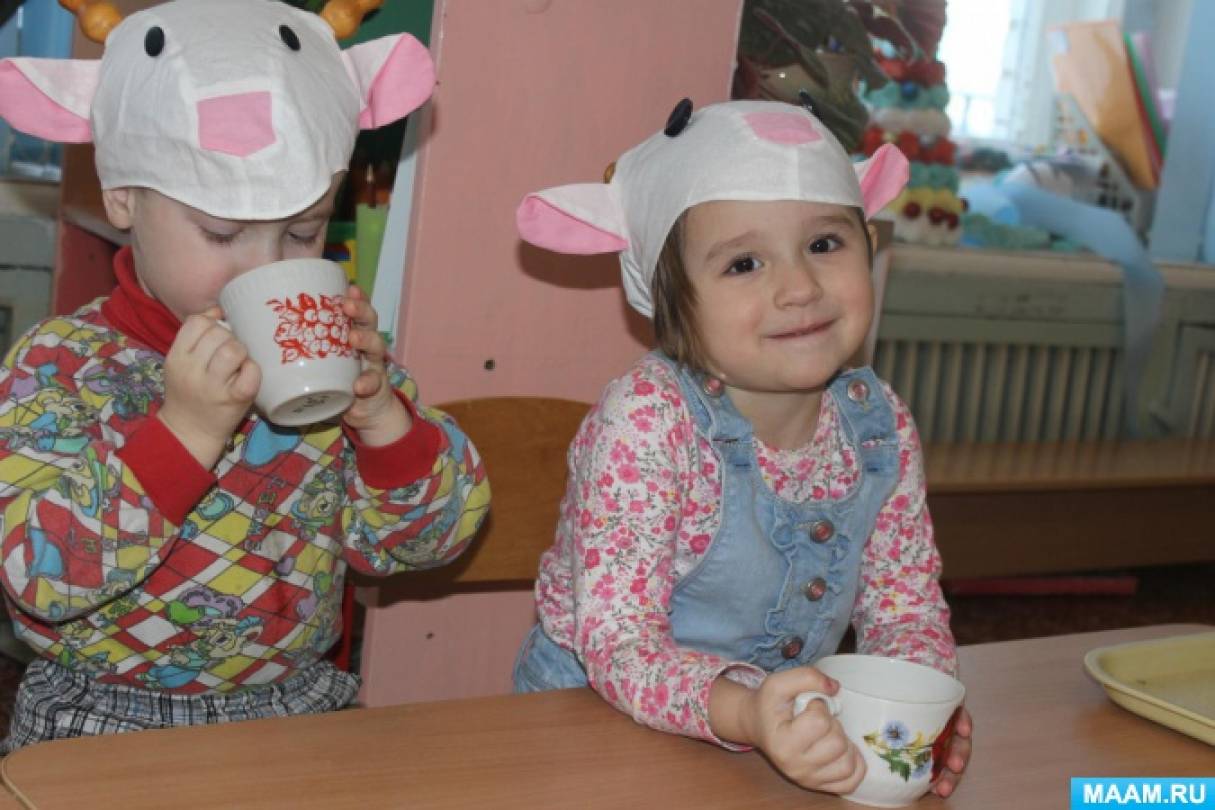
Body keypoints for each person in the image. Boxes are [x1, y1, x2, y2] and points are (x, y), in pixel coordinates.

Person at [0, 0, 488, 750]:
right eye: (222, 232)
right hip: (101, 715)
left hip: (298, 704)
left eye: (302, 231)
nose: (265, 266)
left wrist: (383, 418)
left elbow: (429, 543)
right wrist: (184, 432)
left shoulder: (328, 352)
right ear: (123, 198)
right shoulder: (57, 367)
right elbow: (40, 578)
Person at [511, 98, 971, 797]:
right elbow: (620, 644)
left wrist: (915, 714)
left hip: (772, 740)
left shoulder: (878, 425)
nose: (799, 288)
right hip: (589, 727)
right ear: (671, 304)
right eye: (744, 263)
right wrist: (747, 713)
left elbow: (903, 607)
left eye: (824, 244)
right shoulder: (648, 422)